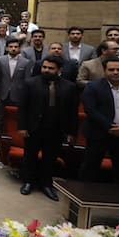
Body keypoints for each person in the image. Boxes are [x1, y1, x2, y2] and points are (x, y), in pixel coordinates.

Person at [17, 55, 78, 200]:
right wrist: (22, 127)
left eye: (51, 68)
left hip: (56, 129)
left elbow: (72, 111)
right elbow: (22, 107)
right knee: (30, 156)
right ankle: (28, 182)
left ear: (59, 70)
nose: (46, 70)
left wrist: (71, 132)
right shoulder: (30, 83)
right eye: (44, 67)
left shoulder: (69, 87)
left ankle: (46, 184)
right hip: (33, 127)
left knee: (50, 158)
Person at [79, 57, 119, 183]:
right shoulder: (93, 87)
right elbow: (90, 110)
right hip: (98, 134)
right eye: (111, 69)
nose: (115, 72)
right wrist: (111, 127)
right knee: (90, 168)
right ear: (104, 71)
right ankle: (84, 194)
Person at [0, 38, 31, 153]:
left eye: (16, 47)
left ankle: (14, 142)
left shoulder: (26, 62)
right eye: (11, 47)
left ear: (19, 48)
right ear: (7, 48)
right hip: (1, 95)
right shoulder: (0, 60)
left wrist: (24, 97)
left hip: (18, 96)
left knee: (16, 120)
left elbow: (27, 81)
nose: (13, 49)